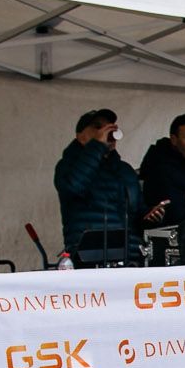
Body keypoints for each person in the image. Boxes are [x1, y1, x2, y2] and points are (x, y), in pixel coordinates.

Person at [53, 108, 145, 263]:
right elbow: (74, 187)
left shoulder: (124, 170)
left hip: (130, 255)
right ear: (80, 136)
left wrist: (151, 215)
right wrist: (97, 146)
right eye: (97, 127)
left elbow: (137, 212)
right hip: (88, 256)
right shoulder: (67, 165)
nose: (105, 131)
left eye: (110, 127)